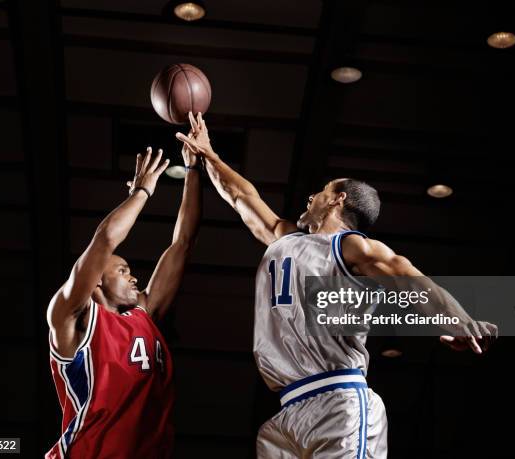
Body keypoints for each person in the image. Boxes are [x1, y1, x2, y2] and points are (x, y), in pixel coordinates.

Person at [176, 113, 497, 458]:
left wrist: (455, 318)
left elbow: (405, 274)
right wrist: (208, 156)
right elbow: (241, 196)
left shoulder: (350, 247)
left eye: (319, 193)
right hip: (286, 414)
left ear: (337, 199)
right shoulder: (283, 239)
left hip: (338, 402)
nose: (310, 197)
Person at [45, 129, 202, 458]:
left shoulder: (145, 313)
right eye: (122, 271)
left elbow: (183, 242)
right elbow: (104, 241)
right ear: (96, 281)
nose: (133, 278)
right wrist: (142, 191)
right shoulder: (71, 318)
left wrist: (193, 170)